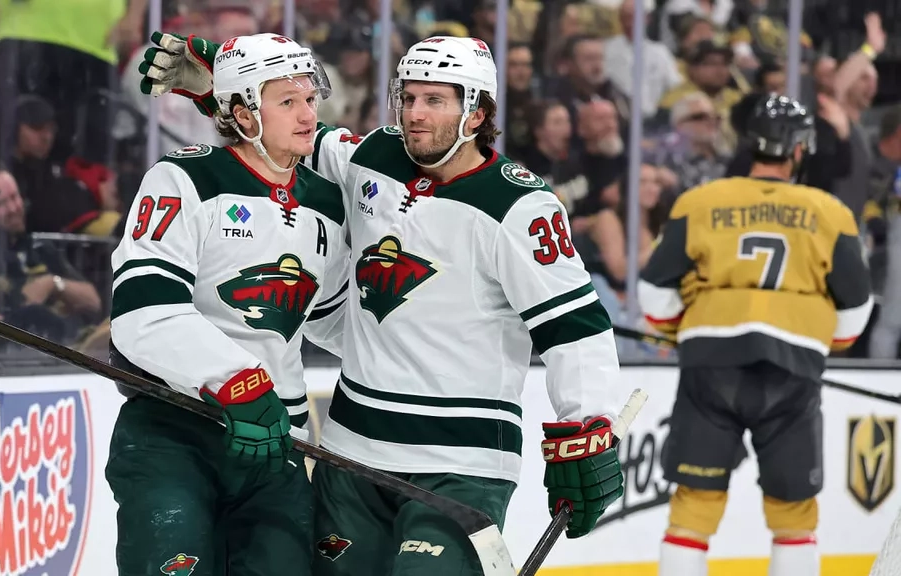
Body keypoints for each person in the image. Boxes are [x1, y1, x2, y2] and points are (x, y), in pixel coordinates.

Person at [139, 32, 625, 575]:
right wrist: (227, 91)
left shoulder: (519, 206)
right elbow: (291, 138)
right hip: (351, 457)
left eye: (435, 100)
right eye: (408, 97)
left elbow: (574, 325)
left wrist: (588, 427)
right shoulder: (374, 156)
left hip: (461, 467)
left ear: (477, 112)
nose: (415, 114)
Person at [107, 33, 350, 576]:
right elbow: (144, 315)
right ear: (242, 114)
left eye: (310, 98)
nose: (308, 114)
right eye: (287, 101)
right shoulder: (184, 178)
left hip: (276, 444)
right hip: (175, 431)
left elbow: (332, 322)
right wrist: (240, 381)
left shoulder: (328, 205)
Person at [637, 95, 874, 576]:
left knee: (693, 508)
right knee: (794, 515)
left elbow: (653, 296)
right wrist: (818, 340)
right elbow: (854, 313)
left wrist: (682, 330)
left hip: (710, 363)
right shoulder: (830, 212)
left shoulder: (700, 202)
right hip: (792, 368)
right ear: (800, 150)